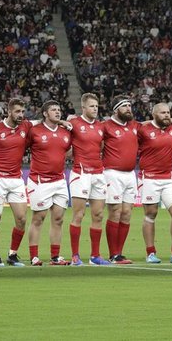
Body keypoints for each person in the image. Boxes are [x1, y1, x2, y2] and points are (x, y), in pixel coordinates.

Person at [137, 103, 172, 264]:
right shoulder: (144, 130)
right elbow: (132, 129)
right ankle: (150, 253)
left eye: (168, 112)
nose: (167, 115)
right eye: (162, 113)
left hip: (168, 178)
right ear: (154, 115)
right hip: (149, 177)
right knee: (151, 213)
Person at [26, 100, 72, 266]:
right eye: (53, 110)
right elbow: (21, 145)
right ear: (45, 113)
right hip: (40, 181)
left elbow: (68, 151)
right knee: (38, 218)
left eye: (59, 109)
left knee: (58, 218)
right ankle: (34, 256)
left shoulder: (65, 132)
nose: (57, 112)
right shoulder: (35, 131)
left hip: (59, 180)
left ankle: (55, 257)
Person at [0, 98, 31, 267]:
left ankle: (12, 255)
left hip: (16, 179)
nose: (21, 115)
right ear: (9, 111)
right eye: (17, 111)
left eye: (22, 111)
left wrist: (63, 121)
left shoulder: (25, 126)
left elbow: (42, 123)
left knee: (21, 219)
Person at [67, 93, 109, 266]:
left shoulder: (100, 126)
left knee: (98, 215)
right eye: (92, 106)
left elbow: (101, 146)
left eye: (97, 106)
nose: (95, 109)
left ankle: (95, 256)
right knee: (79, 214)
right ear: (83, 107)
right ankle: (75, 256)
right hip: (81, 173)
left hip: (98, 173)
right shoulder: (74, 123)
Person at [102, 96, 138, 264]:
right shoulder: (106, 126)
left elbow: (149, 125)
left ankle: (119, 253)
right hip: (112, 173)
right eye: (124, 106)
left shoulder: (134, 126)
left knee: (127, 213)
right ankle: (113, 254)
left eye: (129, 105)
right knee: (115, 211)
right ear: (116, 110)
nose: (128, 109)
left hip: (130, 174)